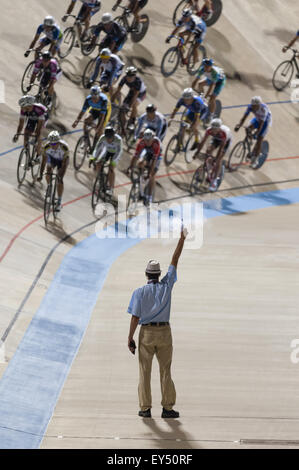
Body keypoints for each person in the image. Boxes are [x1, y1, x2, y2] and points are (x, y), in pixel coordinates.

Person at [127, 226, 188, 418]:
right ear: (159, 274)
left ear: (146, 275)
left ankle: (145, 408)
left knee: (144, 371)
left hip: (146, 333)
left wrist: (130, 338)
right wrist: (182, 239)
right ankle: (167, 408)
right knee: (165, 370)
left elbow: (135, 317)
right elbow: (175, 259)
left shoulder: (139, 292)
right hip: (164, 333)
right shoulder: (166, 286)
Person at [194, 118, 232, 191]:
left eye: (215, 129)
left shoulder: (224, 133)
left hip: (225, 142)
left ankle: (214, 182)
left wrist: (216, 159)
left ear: (219, 128)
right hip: (216, 139)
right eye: (212, 128)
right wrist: (197, 152)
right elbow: (203, 142)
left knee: (219, 159)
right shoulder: (209, 130)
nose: (213, 130)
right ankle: (207, 166)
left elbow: (221, 149)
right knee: (208, 150)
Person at [234, 96, 272, 167]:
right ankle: (250, 140)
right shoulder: (250, 107)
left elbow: (261, 126)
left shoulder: (263, 109)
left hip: (265, 122)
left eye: (255, 106)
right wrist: (239, 125)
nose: (253, 107)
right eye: (252, 105)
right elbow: (244, 117)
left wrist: (256, 134)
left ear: (259, 105)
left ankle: (256, 159)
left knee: (259, 139)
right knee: (248, 128)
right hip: (258, 118)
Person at [127, 128, 161, 206]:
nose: (147, 142)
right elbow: (135, 156)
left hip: (156, 155)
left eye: (149, 141)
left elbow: (154, 160)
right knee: (140, 162)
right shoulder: (141, 142)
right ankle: (141, 176)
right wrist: (130, 167)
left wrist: (150, 173)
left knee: (152, 174)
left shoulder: (156, 143)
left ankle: (149, 197)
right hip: (147, 151)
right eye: (146, 140)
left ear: (152, 138)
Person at [38, 131, 69, 211]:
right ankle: (49, 187)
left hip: (62, 160)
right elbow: (43, 162)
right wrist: (40, 175)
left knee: (60, 180)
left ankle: (59, 201)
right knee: (48, 173)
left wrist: (60, 173)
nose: (53, 146)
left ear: (58, 142)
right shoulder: (46, 147)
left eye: (54, 144)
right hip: (52, 159)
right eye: (51, 144)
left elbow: (64, 164)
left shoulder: (64, 148)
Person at [72, 85, 108, 150]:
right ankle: (85, 140)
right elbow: (82, 111)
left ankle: (98, 145)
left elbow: (102, 117)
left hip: (104, 112)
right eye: (92, 97)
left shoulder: (103, 100)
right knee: (86, 121)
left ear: (99, 96)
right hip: (94, 110)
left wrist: (99, 127)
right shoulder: (88, 99)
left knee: (99, 129)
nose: (93, 99)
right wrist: (76, 121)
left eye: (95, 97)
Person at [13, 95, 48, 161]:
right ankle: (26, 151)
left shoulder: (39, 110)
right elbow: (21, 124)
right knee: (26, 132)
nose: (22, 108)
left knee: (39, 135)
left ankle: (38, 155)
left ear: (29, 106)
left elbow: (39, 127)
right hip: (32, 117)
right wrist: (17, 134)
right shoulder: (23, 109)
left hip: (42, 117)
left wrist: (37, 135)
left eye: (23, 107)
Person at [90, 126, 123, 196]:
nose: (108, 139)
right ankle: (100, 178)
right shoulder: (102, 137)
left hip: (115, 154)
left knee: (111, 168)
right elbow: (97, 148)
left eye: (110, 138)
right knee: (98, 163)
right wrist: (93, 157)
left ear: (113, 136)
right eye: (107, 137)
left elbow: (119, 152)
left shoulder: (118, 139)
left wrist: (113, 161)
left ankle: (111, 188)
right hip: (106, 152)